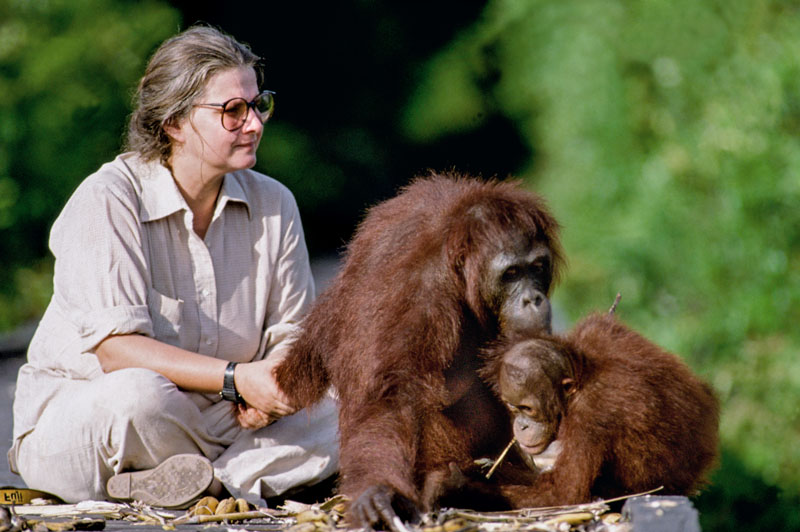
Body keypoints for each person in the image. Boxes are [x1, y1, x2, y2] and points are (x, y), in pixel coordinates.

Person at [7, 24, 339, 508]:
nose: (255, 124)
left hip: (228, 419)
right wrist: (236, 379)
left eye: (258, 104)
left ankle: (203, 484)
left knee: (349, 403)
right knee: (139, 395)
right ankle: (241, 479)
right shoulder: (108, 198)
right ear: (174, 123)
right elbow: (117, 352)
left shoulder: (276, 204)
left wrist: (273, 390)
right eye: (233, 111)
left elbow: (295, 334)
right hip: (100, 415)